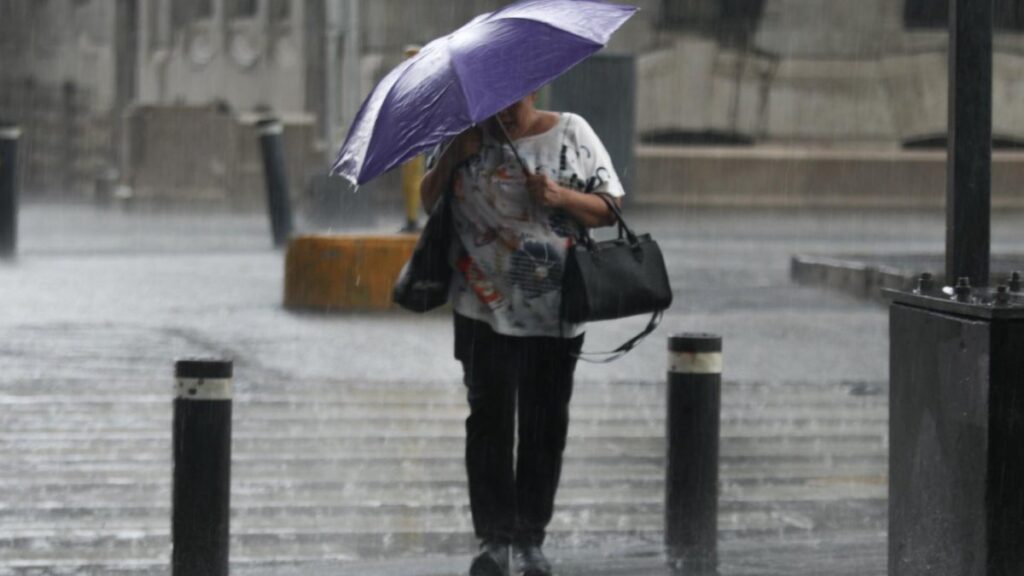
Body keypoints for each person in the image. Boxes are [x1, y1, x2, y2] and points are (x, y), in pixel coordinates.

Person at [420, 92, 625, 576]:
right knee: (488, 425)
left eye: (511, 104)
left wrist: (559, 197)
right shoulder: (463, 138)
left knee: (543, 426)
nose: (502, 115)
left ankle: (530, 538)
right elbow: (428, 202)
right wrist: (453, 155)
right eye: (492, 106)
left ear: (534, 89)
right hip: (480, 311)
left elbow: (610, 208)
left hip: (554, 315)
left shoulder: (572, 132)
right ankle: (494, 540)